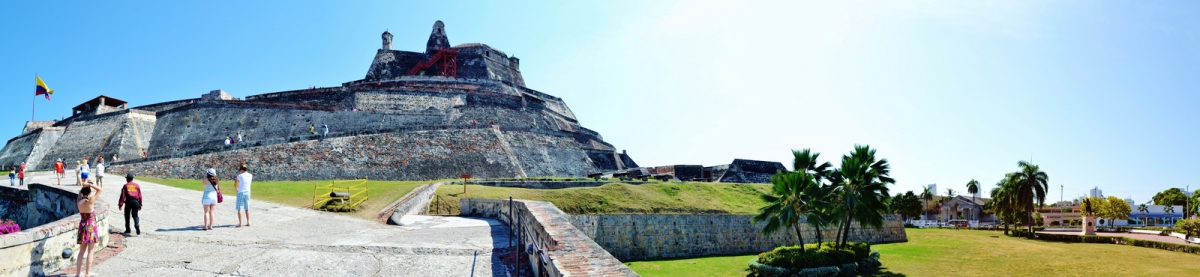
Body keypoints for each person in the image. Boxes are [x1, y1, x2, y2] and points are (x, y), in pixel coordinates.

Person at [75, 174, 102, 277]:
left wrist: (84, 186)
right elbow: (100, 190)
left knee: (81, 251)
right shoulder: (90, 202)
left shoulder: (79, 202)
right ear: (90, 193)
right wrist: (91, 184)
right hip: (90, 225)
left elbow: (80, 193)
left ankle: (77, 274)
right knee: (90, 251)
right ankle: (87, 273)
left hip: (82, 225)